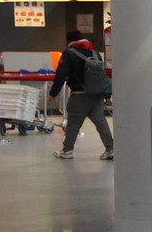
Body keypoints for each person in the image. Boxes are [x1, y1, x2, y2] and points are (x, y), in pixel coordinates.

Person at [49, 32, 114, 160]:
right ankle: (110, 149)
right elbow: (102, 77)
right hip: (97, 95)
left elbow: (61, 74)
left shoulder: (69, 53)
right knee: (101, 121)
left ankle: (67, 151)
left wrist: (53, 93)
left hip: (79, 95)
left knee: (73, 123)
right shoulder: (94, 53)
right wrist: (107, 96)